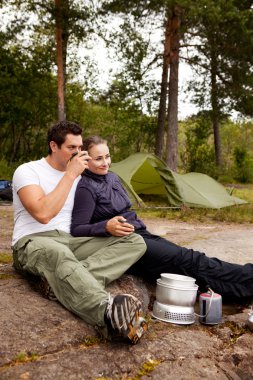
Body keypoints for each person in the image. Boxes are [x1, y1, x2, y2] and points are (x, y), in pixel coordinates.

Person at [11, 121, 148, 345]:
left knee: (135, 242)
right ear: (53, 146)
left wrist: (111, 224)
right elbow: (43, 213)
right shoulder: (27, 171)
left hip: (71, 241)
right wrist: (70, 175)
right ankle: (108, 314)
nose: (78, 153)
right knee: (58, 254)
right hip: (33, 241)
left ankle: (61, 283)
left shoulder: (82, 176)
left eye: (80, 147)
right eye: (71, 148)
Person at [71, 135, 253, 301]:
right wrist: (105, 227)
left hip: (142, 234)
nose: (105, 163)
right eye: (98, 159)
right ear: (86, 160)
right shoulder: (86, 188)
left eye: (107, 156)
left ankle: (242, 287)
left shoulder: (112, 177)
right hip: (125, 245)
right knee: (189, 261)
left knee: (189, 261)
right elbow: (77, 228)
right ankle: (248, 279)